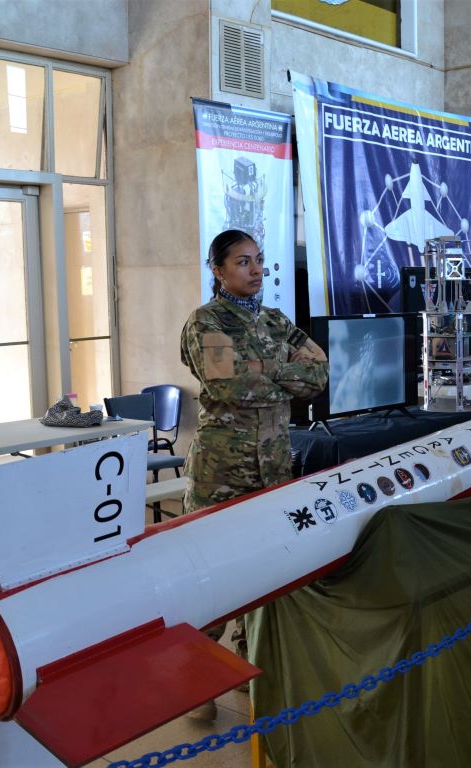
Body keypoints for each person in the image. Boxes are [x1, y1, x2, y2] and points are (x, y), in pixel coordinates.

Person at [180, 229, 329, 717]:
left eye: (259, 260)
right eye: (243, 262)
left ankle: (246, 664)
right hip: (222, 473)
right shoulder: (207, 322)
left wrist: (268, 377)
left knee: (262, 574)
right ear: (217, 269)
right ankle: (197, 684)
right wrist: (287, 379)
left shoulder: (274, 320)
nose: (256, 270)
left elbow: (321, 370)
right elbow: (229, 389)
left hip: (272, 470)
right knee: (211, 579)